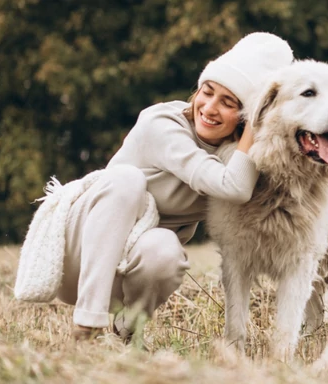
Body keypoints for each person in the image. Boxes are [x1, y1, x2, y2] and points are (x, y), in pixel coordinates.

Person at [15, 32, 294, 344]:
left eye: (228, 102)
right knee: (127, 179)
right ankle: (87, 324)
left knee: (167, 250)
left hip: (126, 274)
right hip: (77, 257)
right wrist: (256, 125)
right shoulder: (162, 123)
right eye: (207, 91)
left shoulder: (238, 155)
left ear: (246, 115)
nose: (210, 107)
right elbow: (235, 188)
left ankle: (125, 332)